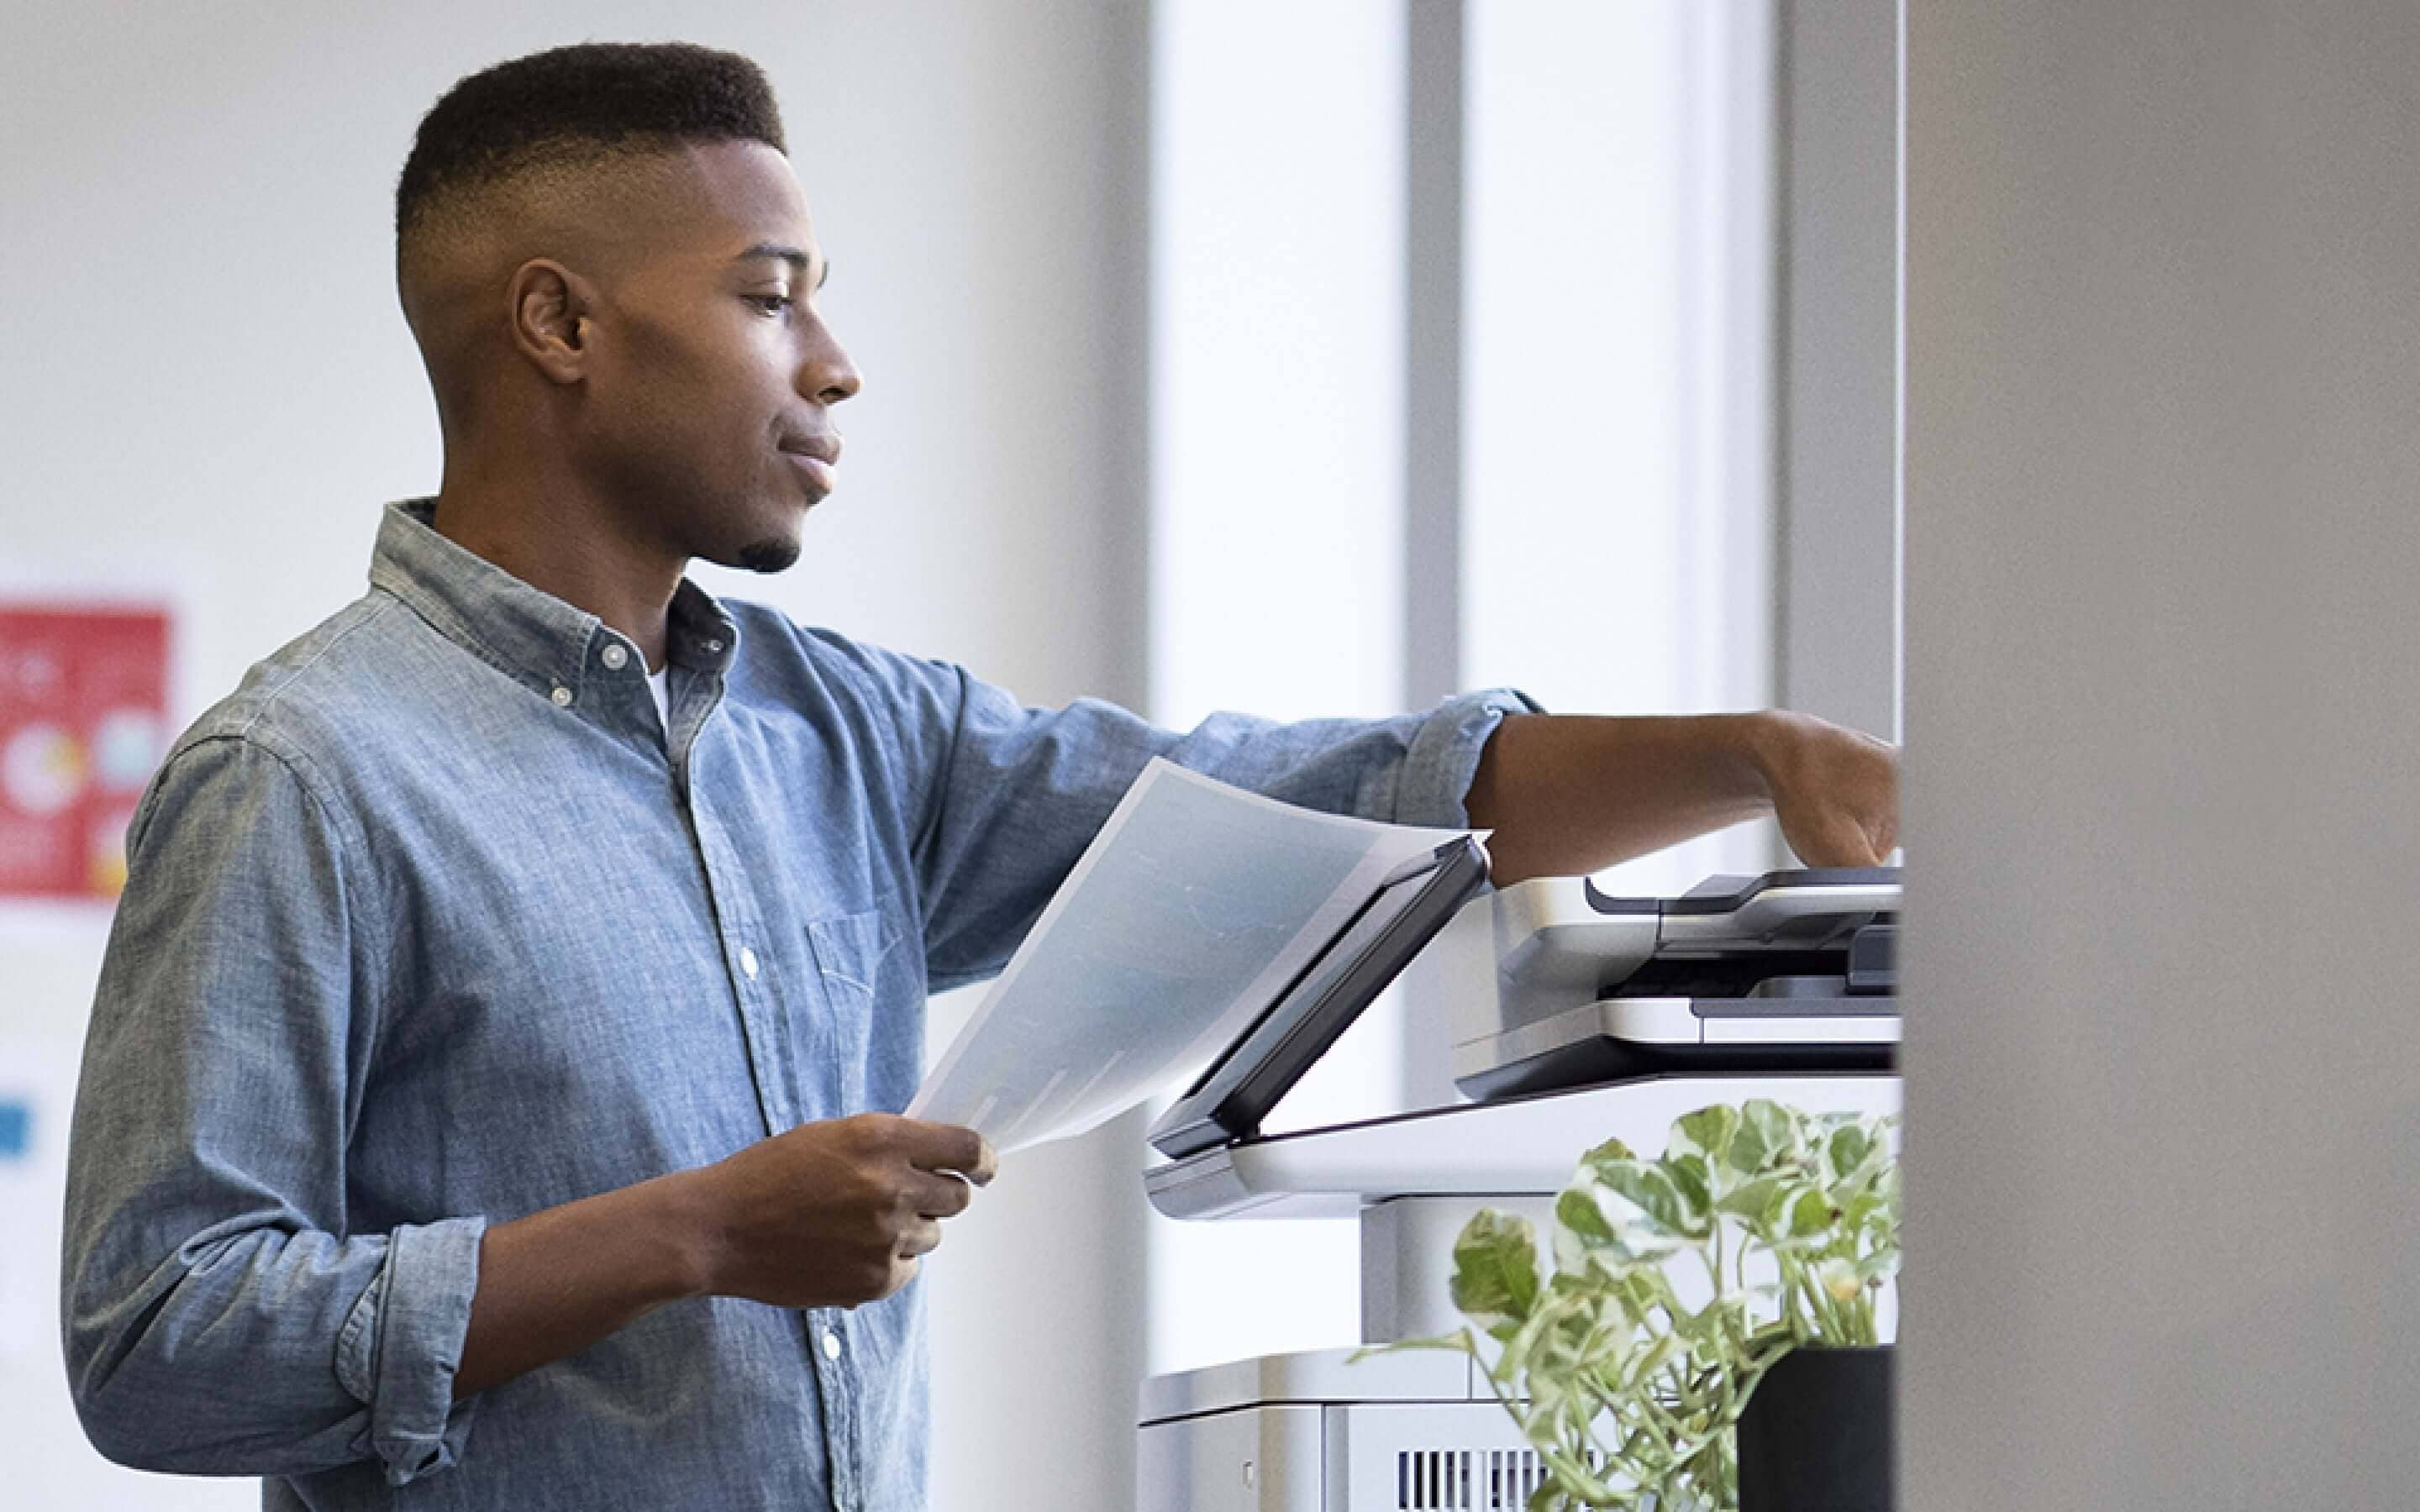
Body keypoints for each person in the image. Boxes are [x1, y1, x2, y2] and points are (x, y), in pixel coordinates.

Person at [58, 40, 1899, 1512]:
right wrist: (697, 1231)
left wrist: (1753, 755)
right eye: (771, 297)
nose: (837, 367)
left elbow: (1329, 797)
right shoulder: (301, 775)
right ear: (559, 328)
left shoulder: (849, 734)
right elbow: (157, 1341)